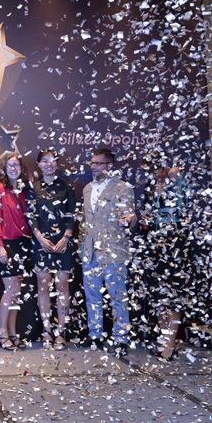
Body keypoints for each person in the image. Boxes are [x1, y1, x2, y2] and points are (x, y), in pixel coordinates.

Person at [80, 147, 136, 357]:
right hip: (90, 251)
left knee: (117, 296)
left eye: (98, 163)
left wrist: (129, 220)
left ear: (109, 166)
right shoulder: (87, 188)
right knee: (92, 295)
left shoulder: (122, 188)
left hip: (113, 250)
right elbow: (85, 220)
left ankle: (121, 338)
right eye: (92, 163)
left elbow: (129, 216)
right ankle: (95, 334)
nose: (93, 167)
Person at [140, 151, 192, 361]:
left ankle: (170, 344)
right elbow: (147, 218)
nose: (154, 175)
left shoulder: (178, 182)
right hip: (155, 246)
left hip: (175, 246)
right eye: (150, 171)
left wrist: (176, 179)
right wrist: (145, 218)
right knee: (159, 297)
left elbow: (185, 209)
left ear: (164, 166)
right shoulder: (150, 188)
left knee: (173, 297)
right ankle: (164, 339)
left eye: (157, 170)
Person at [28, 149, 76, 350]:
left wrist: (66, 237)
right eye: (45, 161)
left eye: (52, 161)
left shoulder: (66, 186)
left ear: (57, 164)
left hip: (63, 243)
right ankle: (47, 331)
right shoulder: (33, 187)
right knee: (43, 285)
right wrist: (40, 238)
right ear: (39, 165)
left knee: (62, 286)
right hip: (41, 243)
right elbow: (31, 215)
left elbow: (72, 214)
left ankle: (61, 332)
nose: (49, 164)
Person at [0, 151, 32, 351]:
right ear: (4, 169)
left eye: (17, 165)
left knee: (16, 291)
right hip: (6, 244)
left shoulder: (24, 190)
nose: (14, 168)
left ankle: (13, 332)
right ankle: (2, 333)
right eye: (10, 165)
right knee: (10, 290)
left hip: (23, 244)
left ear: (21, 168)